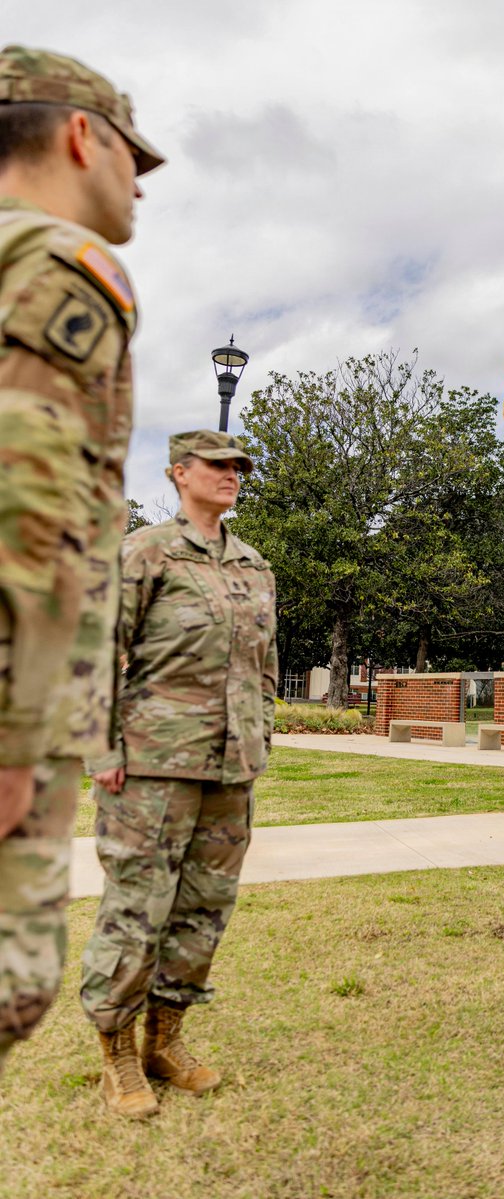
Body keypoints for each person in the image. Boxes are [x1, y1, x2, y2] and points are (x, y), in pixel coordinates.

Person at [0, 45, 164, 1071]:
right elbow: (24, 502)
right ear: (78, 135)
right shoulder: (59, 265)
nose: (141, 182)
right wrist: (13, 737)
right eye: (130, 158)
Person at [80, 429, 278, 1118]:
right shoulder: (145, 551)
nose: (232, 475)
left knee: (201, 911)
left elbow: (264, 663)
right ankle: (118, 1053)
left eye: (238, 467)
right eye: (218, 466)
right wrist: (99, 746)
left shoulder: (252, 563)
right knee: (137, 909)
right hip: (152, 765)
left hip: (230, 766)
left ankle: (167, 1039)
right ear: (179, 472)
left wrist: (264, 731)